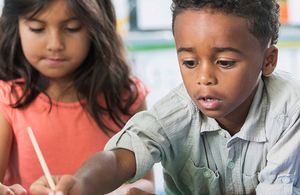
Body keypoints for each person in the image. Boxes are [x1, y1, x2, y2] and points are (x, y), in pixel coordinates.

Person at [30, 0, 300, 194]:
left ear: (268, 60)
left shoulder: (290, 110)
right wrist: (81, 184)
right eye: (190, 62)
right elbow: (122, 155)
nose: (204, 78)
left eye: (225, 62)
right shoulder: (177, 111)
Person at [0, 0, 156, 194]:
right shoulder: (6, 98)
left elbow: (146, 183)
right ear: (16, 26)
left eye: (72, 28)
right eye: (37, 28)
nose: (55, 44)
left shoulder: (126, 96)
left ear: (96, 27)